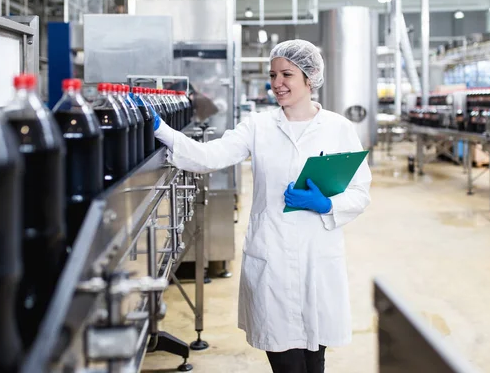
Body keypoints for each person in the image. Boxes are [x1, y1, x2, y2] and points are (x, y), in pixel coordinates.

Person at [153, 39, 372, 373]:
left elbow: (360, 191)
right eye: (273, 75)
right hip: (273, 257)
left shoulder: (338, 128)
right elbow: (212, 156)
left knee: (315, 359)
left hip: (318, 257)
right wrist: (163, 131)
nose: (277, 83)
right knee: (286, 363)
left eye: (287, 74)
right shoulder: (258, 126)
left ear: (309, 78)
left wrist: (327, 204)